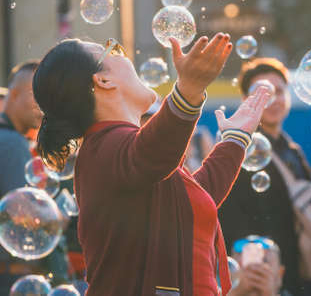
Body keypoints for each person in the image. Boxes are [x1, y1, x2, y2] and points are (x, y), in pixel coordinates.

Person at [32, 34, 272, 296]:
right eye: (112, 50)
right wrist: (188, 91)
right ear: (103, 81)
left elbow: (191, 202)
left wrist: (235, 141)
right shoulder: (103, 149)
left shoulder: (127, 156)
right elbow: (152, 155)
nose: (124, 55)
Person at [219, 58, 311, 296]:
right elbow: (230, 219)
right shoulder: (239, 150)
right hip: (261, 275)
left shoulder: (292, 151)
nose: (273, 100)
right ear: (245, 101)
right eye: (261, 93)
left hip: (297, 269)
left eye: (279, 92)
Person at [0, 61, 43, 294]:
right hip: (9, 275)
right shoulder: (13, 143)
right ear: (14, 94)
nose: (43, 105)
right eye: (37, 95)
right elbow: (26, 217)